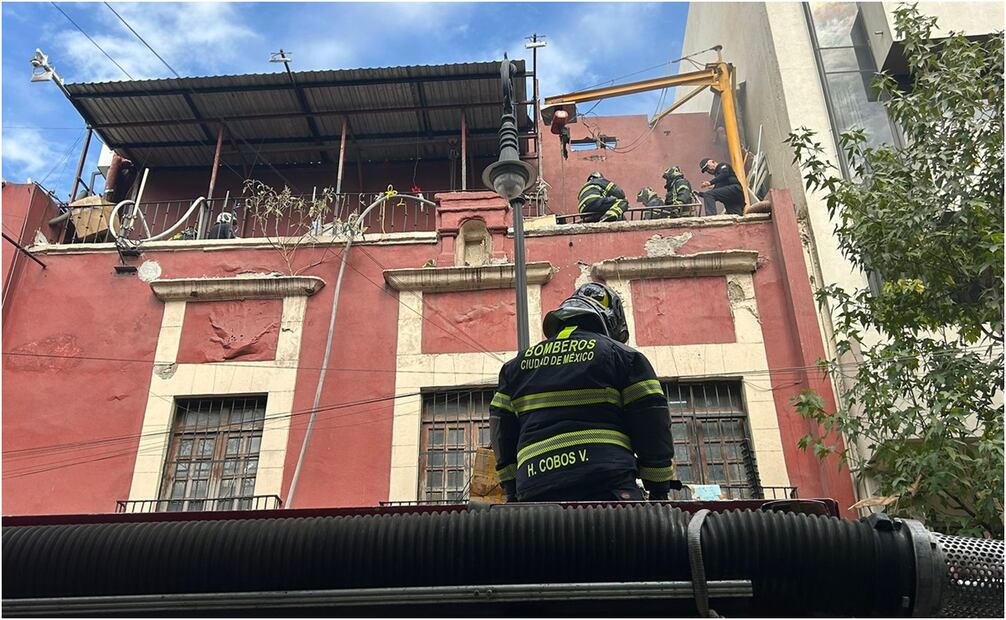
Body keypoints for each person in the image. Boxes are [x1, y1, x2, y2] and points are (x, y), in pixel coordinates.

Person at [490, 282, 679, 502]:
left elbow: (501, 430)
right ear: (611, 320)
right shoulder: (623, 356)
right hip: (606, 485)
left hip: (535, 488)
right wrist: (659, 489)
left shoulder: (515, 367)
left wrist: (513, 490)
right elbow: (651, 422)